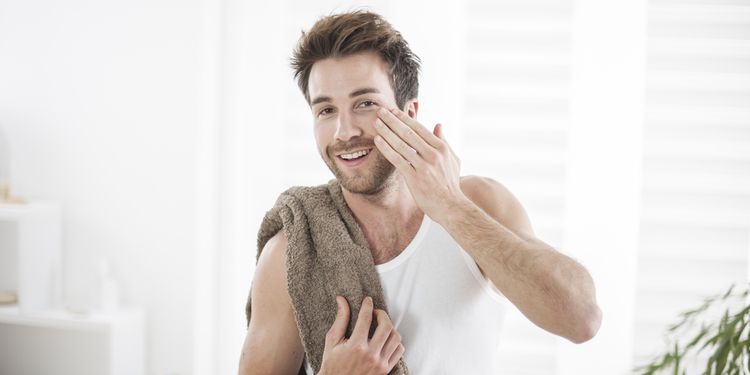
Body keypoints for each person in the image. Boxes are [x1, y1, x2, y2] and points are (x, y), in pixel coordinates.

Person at [238, 10, 602, 375]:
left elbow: (581, 319)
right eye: (326, 110)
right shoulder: (293, 250)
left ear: (410, 113)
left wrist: (450, 206)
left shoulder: (481, 203)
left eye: (365, 103)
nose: (344, 132)